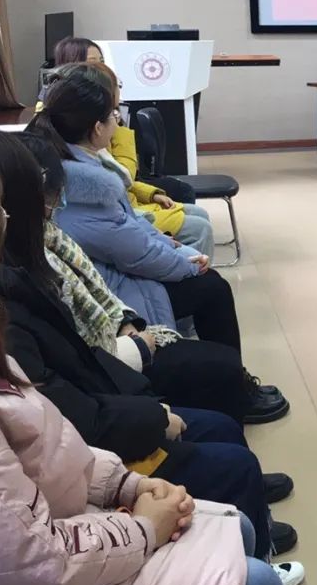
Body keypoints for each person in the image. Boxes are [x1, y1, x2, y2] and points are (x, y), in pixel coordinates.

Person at [0, 140, 294, 585]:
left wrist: (123, 486)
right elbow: (34, 565)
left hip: (59, 517)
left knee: (237, 524)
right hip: (22, 583)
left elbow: (48, 442)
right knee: (254, 581)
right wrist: (142, 527)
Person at [26, 74, 251, 358]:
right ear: (97, 128)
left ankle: (223, 367)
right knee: (212, 287)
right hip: (113, 289)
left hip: (116, 268)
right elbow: (135, 252)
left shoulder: (78, 161)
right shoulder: (83, 185)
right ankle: (229, 373)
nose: (118, 119)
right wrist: (187, 264)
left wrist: (171, 245)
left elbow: (128, 222)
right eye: (113, 114)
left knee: (205, 274)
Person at [64, 61, 215, 258]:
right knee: (199, 228)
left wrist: (151, 194)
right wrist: (119, 130)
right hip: (129, 214)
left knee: (198, 214)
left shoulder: (91, 135)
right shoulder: (89, 141)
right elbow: (125, 176)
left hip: (131, 208)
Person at [52, 35, 198, 204]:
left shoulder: (104, 105)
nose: (102, 68)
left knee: (180, 193)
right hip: (121, 193)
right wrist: (115, 121)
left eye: (102, 61)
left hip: (126, 187)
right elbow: (124, 175)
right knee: (188, 207)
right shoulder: (73, 116)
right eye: (93, 63)